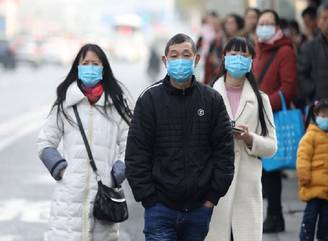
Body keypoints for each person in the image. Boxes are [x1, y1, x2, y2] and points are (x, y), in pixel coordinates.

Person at [125, 33, 235, 241]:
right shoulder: (149, 99)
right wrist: (148, 197)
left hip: (199, 209)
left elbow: (224, 153)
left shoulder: (212, 99)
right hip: (159, 208)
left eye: (186, 55)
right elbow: (136, 153)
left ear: (196, 59)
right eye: (174, 56)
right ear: (165, 61)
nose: (180, 61)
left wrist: (212, 197)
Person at [37, 44, 133, 241]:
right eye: (85, 63)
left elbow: (130, 144)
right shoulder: (66, 104)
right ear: (78, 67)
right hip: (69, 198)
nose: (90, 67)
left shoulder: (114, 105)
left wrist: (116, 174)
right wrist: (63, 171)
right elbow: (45, 142)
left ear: (103, 68)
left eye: (95, 63)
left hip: (103, 196)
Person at [206, 37, 277, 241]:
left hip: (247, 188)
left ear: (251, 61)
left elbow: (272, 146)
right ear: (224, 58)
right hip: (214, 185)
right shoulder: (208, 95)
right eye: (233, 54)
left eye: (244, 55)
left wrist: (249, 139)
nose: (238, 59)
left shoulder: (261, 99)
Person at [253, 9, 297, 233]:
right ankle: (270, 215)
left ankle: (275, 216)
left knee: (271, 169)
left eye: (269, 23)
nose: (264, 26)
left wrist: (262, 103)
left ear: (278, 27)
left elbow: (288, 89)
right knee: (263, 171)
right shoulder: (258, 47)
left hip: (272, 117)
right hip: (257, 117)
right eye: (262, 22)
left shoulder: (285, 51)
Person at [297, 99, 328, 241]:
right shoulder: (310, 136)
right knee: (310, 219)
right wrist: (304, 177)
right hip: (313, 187)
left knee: (326, 221)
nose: (327, 119)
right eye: (323, 116)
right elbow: (303, 158)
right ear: (316, 116)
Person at [204, 14, 245, 85]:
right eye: (227, 23)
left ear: (239, 25)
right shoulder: (220, 41)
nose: (228, 26)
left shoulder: (244, 43)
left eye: (231, 23)